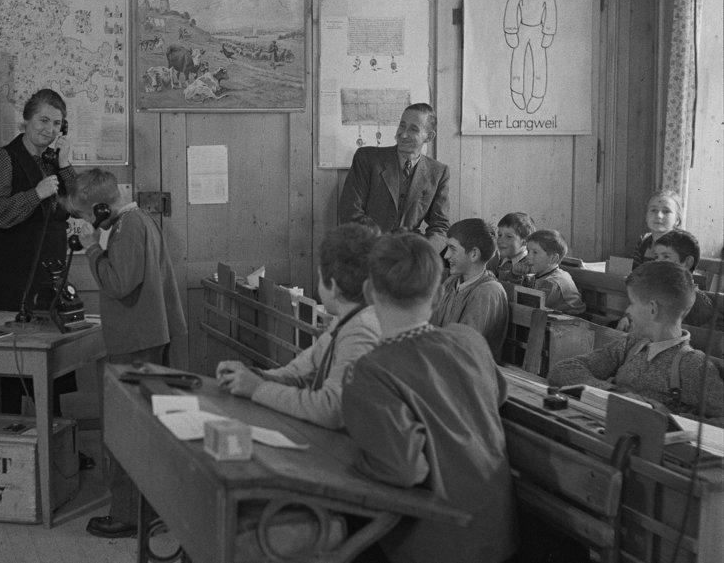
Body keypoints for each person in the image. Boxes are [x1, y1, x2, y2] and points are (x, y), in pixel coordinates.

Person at [341, 232, 518, 563]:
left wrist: (360, 461)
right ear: (438, 295)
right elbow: (497, 396)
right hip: (497, 537)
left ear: (368, 292)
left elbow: (404, 470)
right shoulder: (469, 340)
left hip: (434, 543)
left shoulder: (372, 370)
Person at [67, 168, 187, 539]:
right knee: (143, 429)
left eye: (86, 216)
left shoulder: (128, 228)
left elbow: (119, 284)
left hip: (136, 341)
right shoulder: (137, 222)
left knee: (125, 431)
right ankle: (148, 508)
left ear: (101, 208)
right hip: (146, 335)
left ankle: (127, 514)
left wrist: (91, 246)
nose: (85, 222)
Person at [0, 89, 82, 417]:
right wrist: (35, 194)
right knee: (12, 362)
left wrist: (66, 164)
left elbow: (80, 206)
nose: (50, 129)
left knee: (50, 359)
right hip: (9, 272)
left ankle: (54, 440)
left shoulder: (53, 161)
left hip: (47, 272)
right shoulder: (4, 158)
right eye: (43, 120)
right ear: (26, 120)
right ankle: (12, 436)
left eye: (57, 123)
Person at [215, 223, 381, 429]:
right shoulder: (346, 320)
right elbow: (299, 373)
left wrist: (258, 389)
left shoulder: (362, 330)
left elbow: (333, 409)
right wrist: (250, 376)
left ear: (334, 288)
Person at [549, 261, 724, 425]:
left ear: (652, 310)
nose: (627, 310)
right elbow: (563, 370)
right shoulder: (631, 345)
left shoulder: (693, 365)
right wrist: (618, 395)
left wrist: (663, 417)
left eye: (631, 303)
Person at [338, 103, 450, 253]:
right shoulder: (367, 158)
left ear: (429, 136)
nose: (403, 134)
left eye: (413, 129)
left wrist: (423, 255)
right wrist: (384, 247)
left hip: (409, 257)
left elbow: (440, 226)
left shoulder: (438, 172)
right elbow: (350, 211)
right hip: (365, 252)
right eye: (402, 126)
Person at [432, 218, 509, 362]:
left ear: (474, 254)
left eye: (452, 248)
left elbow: (464, 348)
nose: (446, 255)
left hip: (468, 373)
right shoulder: (451, 282)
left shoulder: (488, 292)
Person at [651, 230, 719, 330]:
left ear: (687, 263)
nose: (657, 263)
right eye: (656, 257)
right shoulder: (660, 291)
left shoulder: (694, 304)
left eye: (666, 256)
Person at [524, 229, 586, 315]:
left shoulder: (553, 282)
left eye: (535, 252)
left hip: (572, 323)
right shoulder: (543, 274)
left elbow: (531, 306)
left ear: (553, 258)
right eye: (528, 251)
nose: (528, 256)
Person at [631, 189, 683, 269]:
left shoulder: (683, 245)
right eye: (653, 210)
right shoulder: (643, 241)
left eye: (666, 211)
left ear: (677, 220)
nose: (658, 215)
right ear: (646, 216)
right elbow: (634, 271)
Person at [488, 212, 535, 285]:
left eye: (509, 236)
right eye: (500, 235)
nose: (501, 240)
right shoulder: (498, 259)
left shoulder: (530, 264)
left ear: (525, 241)